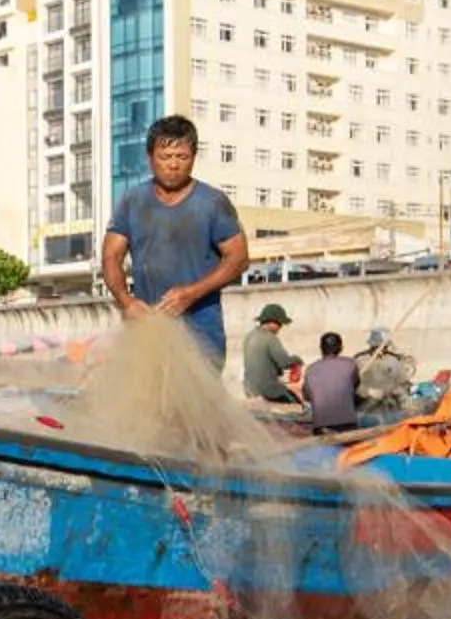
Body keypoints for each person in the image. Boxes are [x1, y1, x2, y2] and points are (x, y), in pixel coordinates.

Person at [101, 115, 248, 359]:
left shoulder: (213, 202)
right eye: (165, 157)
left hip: (201, 335)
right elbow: (110, 256)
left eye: (182, 157)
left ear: (193, 158)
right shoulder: (132, 201)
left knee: (194, 397)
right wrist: (126, 301)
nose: (173, 165)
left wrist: (191, 293)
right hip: (149, 332)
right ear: (150, 159)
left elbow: (238, 259)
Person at [300, 330, 360, 432]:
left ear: (321, 349)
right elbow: (356, 386)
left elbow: (307, 396)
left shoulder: (310, 369)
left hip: (321, 425)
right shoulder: (350, 364)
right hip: (347, 424)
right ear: (341, 348)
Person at [241, 303, 301, 405]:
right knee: (296, 402)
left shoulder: (249, 336)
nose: (280, 328)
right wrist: (297, 359)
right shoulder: (270, 338)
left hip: (249, 390)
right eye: (280, 324)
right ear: (272, 322)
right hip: (268, 391)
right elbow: (284, 362)